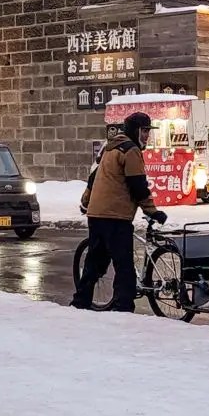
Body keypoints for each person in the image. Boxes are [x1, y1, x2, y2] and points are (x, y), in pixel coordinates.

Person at [72, 112, 167, 312]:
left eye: (148, 132)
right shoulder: (130, 150)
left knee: (94, 263)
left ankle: (80, 302)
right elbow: (137, 185)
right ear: (134, 130)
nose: (146, 136)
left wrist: (86, 201)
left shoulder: (111, 148)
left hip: (97, 215)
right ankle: (123, 307)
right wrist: (152, 211)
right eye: (144, 131)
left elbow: (94, 177)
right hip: (115, 216)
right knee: (123, 265)